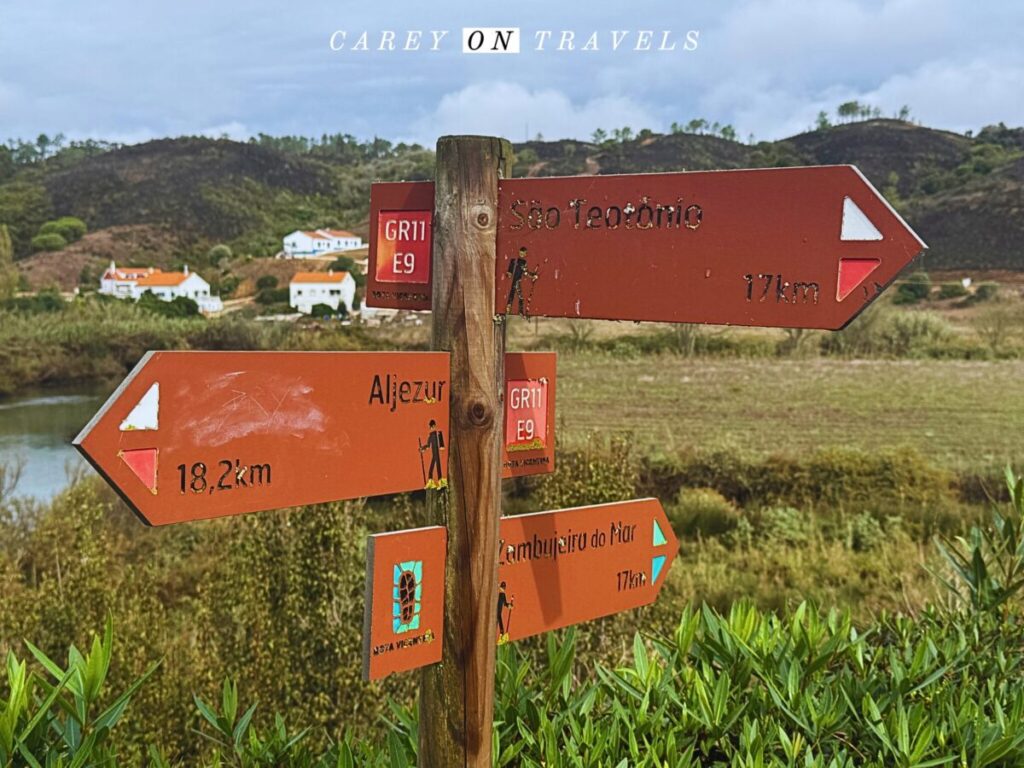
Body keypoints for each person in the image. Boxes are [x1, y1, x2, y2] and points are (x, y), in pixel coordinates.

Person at [421, 419, 446, 489]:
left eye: (432, 426)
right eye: (431, 427)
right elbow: (428, 446)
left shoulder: (438, 434)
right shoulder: (430, 436)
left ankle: (437, 481)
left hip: (436, 452)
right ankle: (434, 481)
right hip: (434, 453)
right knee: (436, 466)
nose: (431, 428)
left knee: (437, 466)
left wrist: (441, 445)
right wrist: (422, 448)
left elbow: (441, 443)